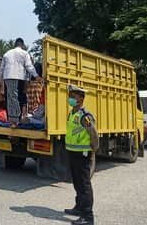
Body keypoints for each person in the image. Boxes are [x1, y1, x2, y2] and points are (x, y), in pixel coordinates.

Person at [64, 85, 99, 225]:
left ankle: (88, 217)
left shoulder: (85, 115)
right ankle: (79, 208)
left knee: (84, 184)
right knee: (77, 182)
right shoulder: (72, 113)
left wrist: (93, 151)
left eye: (74, 96)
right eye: (70, 96)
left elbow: (94, 134)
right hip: (73, 152)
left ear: (81, 99)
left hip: (83, 154)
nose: (70, 99)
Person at [0, 38, 42, 128]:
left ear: (15, 44)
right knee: (16, 98)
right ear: (22, 45)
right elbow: (29, 66)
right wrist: (37, 76)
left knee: (11, 98)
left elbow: (1, 68)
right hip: (19, 77)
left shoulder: (7, 53)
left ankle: (13, 119)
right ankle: (15, 120)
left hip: (8, 77)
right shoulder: (24, 53)